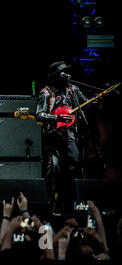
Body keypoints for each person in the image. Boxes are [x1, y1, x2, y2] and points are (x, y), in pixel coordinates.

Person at [35, 61, 89, 212]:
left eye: (67, 72)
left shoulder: (74, 89)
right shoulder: (46, 93)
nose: (67, 75)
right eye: (63, 73)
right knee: (53, 173)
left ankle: (70, 209)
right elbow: (39, 115)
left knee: (73, 172)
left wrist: (96, 101)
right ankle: (48, 210)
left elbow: (86, 104)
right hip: (54, 139)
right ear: (55, 76)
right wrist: (56, 119)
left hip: (72, 137)